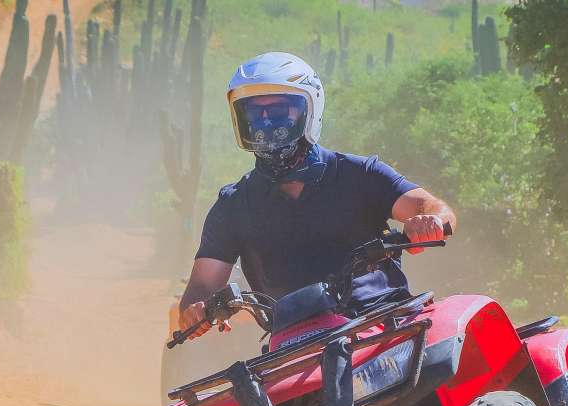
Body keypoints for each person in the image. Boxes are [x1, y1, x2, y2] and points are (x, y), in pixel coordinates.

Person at [179, 52, 457, 341]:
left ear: (310, 110)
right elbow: (201, 287)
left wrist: (430, 221)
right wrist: (194, 311)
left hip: (385, 323)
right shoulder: (234, 205)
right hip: (295, 346)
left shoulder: (359, 174)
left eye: (277, 110)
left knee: (448, 363)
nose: (265, 122)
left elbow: (432, 207)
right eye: (253, 113)